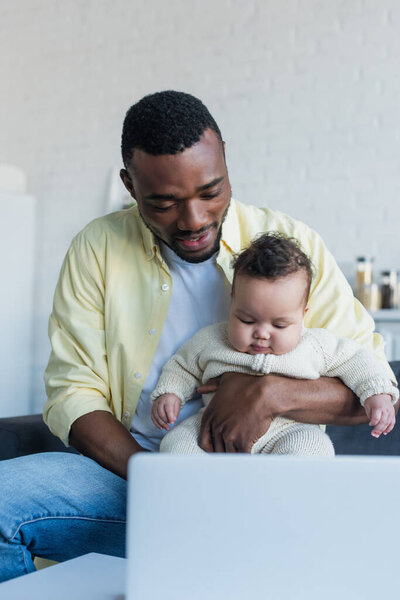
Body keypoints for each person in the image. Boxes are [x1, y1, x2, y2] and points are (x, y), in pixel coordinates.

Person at [0, 90, 397, 582]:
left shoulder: (291, 248)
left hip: (272, 485)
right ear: (130, 184)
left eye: (211, 192)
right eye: (163, 203)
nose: (194, 221)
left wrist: (267, 394)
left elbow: (370, 385)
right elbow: (72, 394)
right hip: (134, 473)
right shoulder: (97, 249)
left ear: (225, 158)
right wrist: (164, 480)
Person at [151, 233, 398, 456]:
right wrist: (170, 393)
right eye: (246, 320)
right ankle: (199, 496)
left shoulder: (315, 345)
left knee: (314, 447)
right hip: (212, 428)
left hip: (286, 431)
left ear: (303, 315)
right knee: (175, 444)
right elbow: (182, 365)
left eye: (279, 326)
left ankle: (284, 499)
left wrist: (376, 393)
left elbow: (356, 360)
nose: (261, 334)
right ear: (232, 303)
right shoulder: (212, 339)